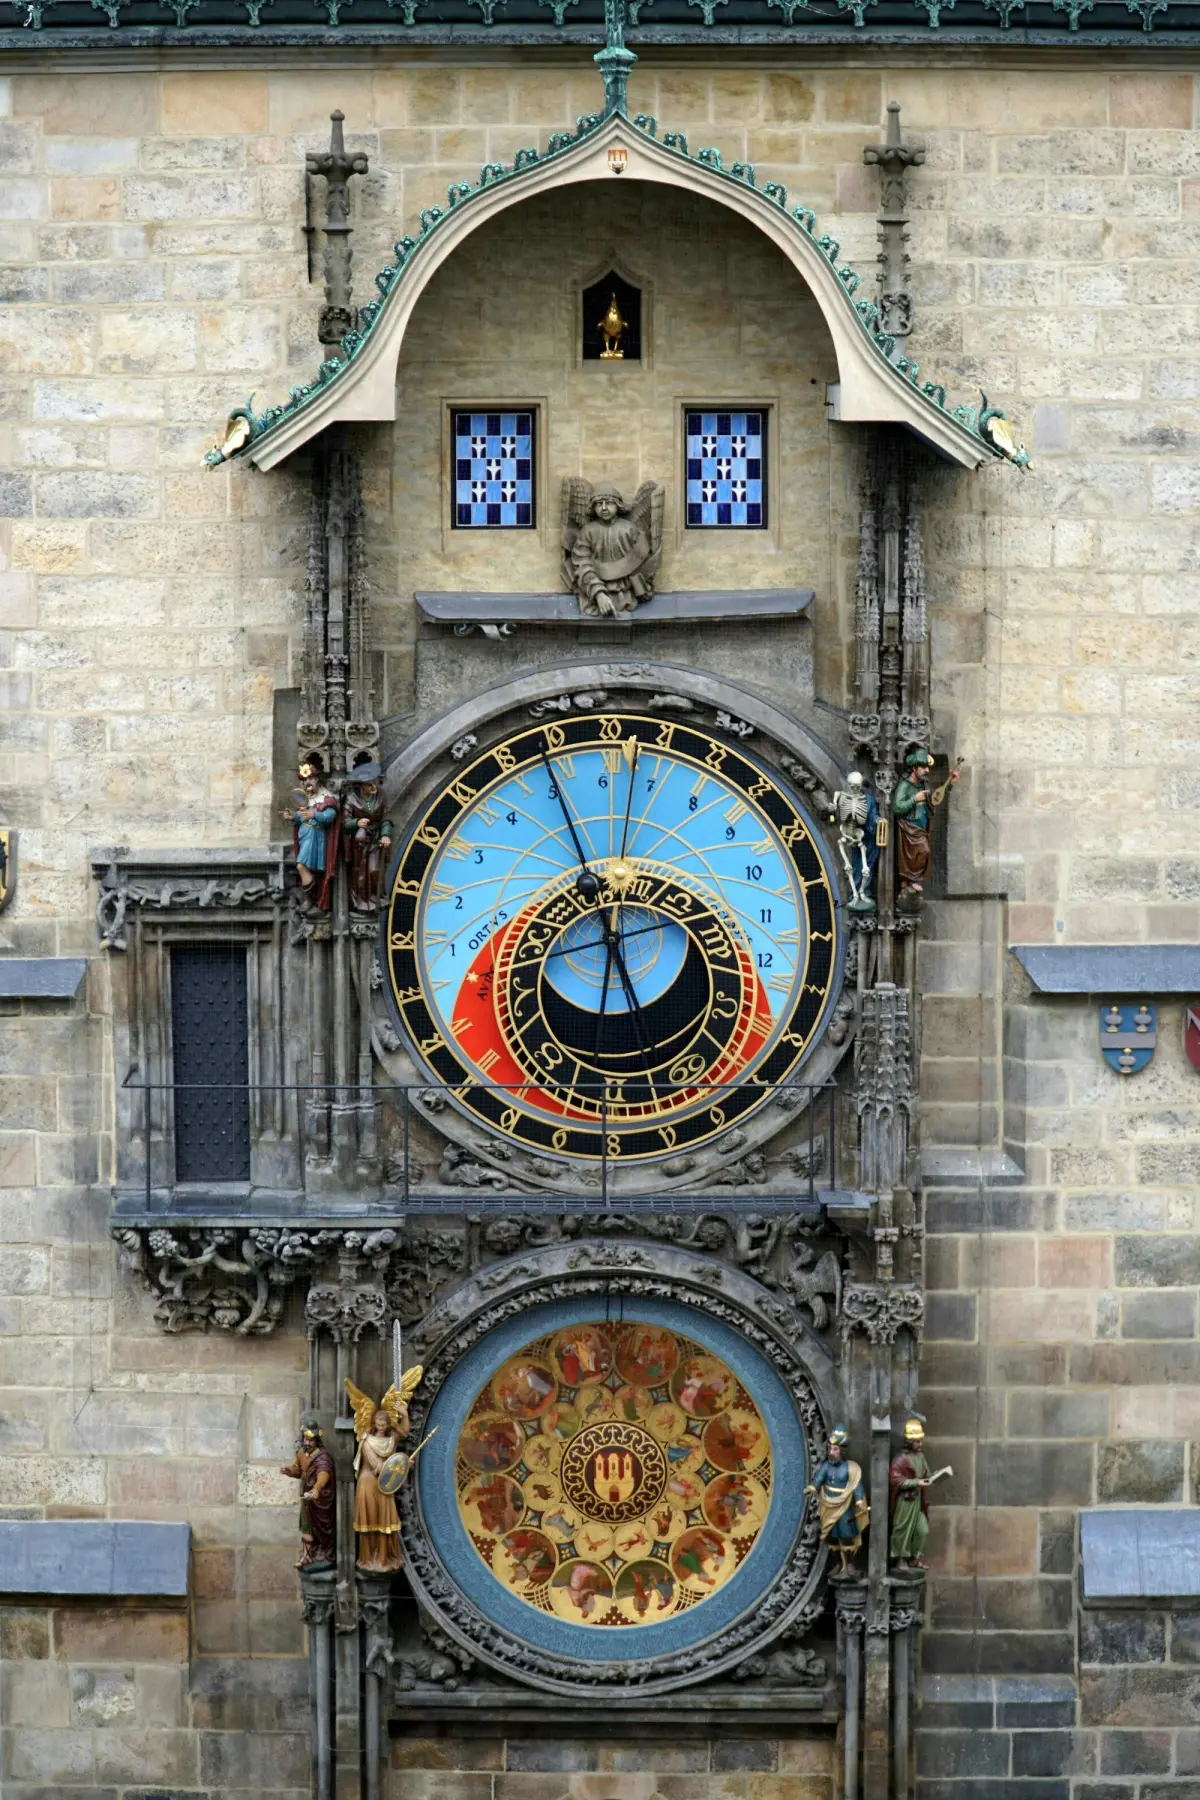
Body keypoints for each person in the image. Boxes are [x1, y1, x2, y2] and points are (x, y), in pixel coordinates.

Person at [568, 486, 657, 618]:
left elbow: (642, 561)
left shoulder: (629, 529)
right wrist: (598, 594)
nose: (603, 508)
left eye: (608, 503)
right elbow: (581, 565)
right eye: (599, 504)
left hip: (625, 593)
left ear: (618, 505)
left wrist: (640, 586)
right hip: (594, 591)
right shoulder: (587, 531)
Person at [893, 748, 958, 901]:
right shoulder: (905, 786)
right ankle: (910, 881)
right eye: (923, 767)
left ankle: (909, 882)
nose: (926, 770)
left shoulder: (922, 785)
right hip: (909, 828)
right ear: (914, 769)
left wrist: (949, 783)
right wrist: (914, 799)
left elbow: (935, 797)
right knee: (923, 851)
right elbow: (897, 807)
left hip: (921, 827)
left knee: (919, 854)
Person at [805, 1426, 869, 1575]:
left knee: (846, 1537)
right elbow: (818, 1479)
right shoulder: (826, 1467)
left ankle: (850, 1564)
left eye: (835, 1449)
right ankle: (838, 1563)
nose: (831, 1452)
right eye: (830, 1449)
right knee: (832, 1538)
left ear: (842, 1451)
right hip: (829, 1505)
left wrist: (859, 1501)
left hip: (845, 1506)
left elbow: (856, 1485)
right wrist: (812, 1488)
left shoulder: (850, 1468)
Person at [282, 754, 340, 911]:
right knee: (304, 867)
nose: (308, 783)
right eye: (305, 780)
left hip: (316, 838)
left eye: (310, 779)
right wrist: (292, 816)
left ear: (317, 779)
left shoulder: (325, 797)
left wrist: (314, 814)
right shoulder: (305, 799)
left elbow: (330, 816)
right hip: (304, 837)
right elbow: (301, 817)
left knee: (301, 866)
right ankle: (313, 898)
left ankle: (310, 898)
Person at [281, 1417, 336, 1570]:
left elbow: (323, 1474)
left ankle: (324, 1553)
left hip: (320, 1500)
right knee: (306, 1527)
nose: (308, 1443)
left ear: (317, 1440)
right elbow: (299, 1470)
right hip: (307, 1498)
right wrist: (290, 1471)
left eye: (311, 1440)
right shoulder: (300, 1454)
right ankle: (307, 1557)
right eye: (306, 1439)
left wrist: (317, 1488)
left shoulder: (323, 1457)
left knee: (322, 1528)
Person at [342, 759, 392, 913]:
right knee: (360, 873)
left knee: (375, 870)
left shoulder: (381, 796)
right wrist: (357, 822)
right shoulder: (351, 799)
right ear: (361, 786)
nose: (371, 787)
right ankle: (361, 901)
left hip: (376, 837)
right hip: (359, 842)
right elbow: (344, 822)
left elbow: (386, 818)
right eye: (367, 784)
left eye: (372, 783)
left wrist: (385, 835)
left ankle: (377, 899)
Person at [889, 1418, 933, 1569]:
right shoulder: (900, 1460)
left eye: (921, 1441)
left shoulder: (920, 1457)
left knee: (922, 1530)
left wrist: (934, 1477)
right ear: (909, 1441)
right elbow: (895, 1480)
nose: (920, 1444)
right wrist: (915, 1482)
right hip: (906, 1501)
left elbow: (926, 1472)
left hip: (918, 1500)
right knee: (903, 1530)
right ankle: (901, 1558)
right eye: (917, 1441)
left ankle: (915, 1558)